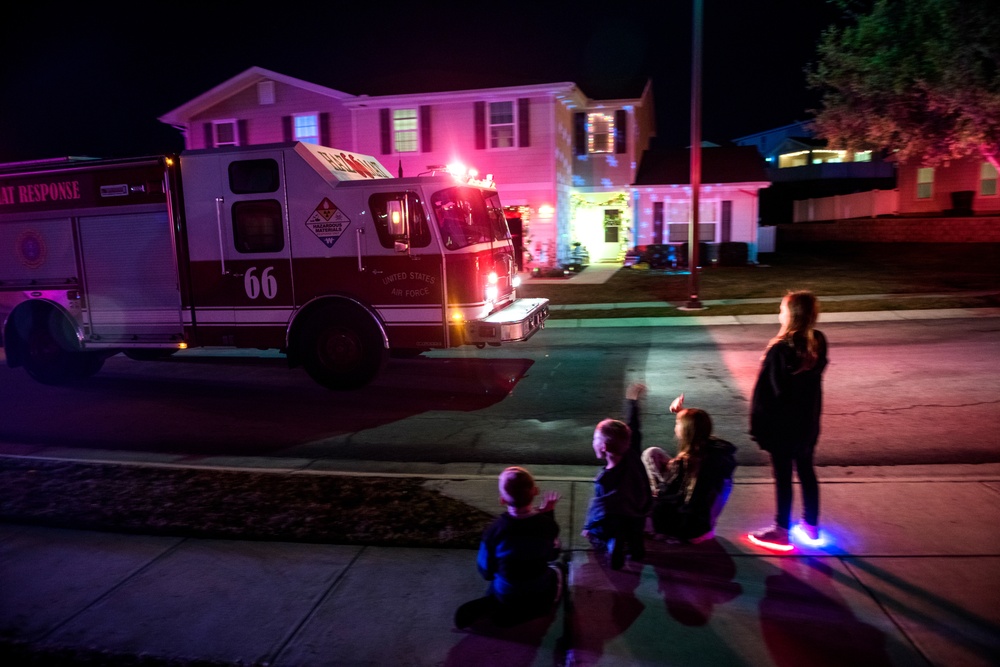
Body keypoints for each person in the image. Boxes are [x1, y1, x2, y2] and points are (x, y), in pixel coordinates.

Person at [749, 290, 829, 547]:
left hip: (782, 427)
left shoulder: (780, 350)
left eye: (782, 308)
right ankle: (811, 525)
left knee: (783, 476)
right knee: (806, 470)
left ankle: (782, 529)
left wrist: (759, 427)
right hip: (807, 424)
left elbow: (769, 394)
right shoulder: (817, 342)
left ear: (792, 314)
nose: (779, 312)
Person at [454, 466, 563, 628]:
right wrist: (547, 514)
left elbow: (486, 571)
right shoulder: (547, 525)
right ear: (535, 491)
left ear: (502, 500)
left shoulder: (494, 531)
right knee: (557, 569)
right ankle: (540, 606)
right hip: (539, 594)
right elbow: (552, 554)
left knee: (499, 580)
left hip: (507, 594)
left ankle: (500, 606)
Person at [641, 394, 737, 543]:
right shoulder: (716, 453)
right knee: (652, 454)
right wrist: (682, 413)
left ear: (685, 431)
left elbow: (671, 501)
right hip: (705, 523)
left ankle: (668, 534)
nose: (675, 426)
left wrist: (654, 498)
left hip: (688, 528)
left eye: (678, 424)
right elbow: (698, 429)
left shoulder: (685, 464)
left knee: (635, 515)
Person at [581, 383, 653, 570]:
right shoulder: (632, 452)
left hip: (617, 519)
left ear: (603, 447)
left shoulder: (604, 480)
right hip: (639, 513)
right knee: (634, 530)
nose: (593, 441)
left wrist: (589, 527)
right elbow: (634, 428)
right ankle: (636, 549)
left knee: (603, 529)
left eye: (595, 438)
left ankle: (613, 544)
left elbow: (599, 508)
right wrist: (632, 402)